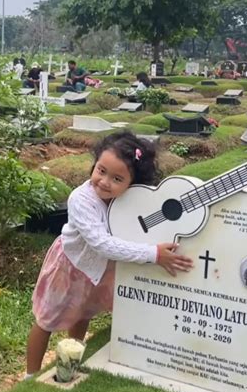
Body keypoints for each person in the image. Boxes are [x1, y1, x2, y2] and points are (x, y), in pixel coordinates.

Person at [26, 131, 193, 375]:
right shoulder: (81, 200)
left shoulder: (127, 203)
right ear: (94, 165)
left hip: (98, 270)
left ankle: (70, 363)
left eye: (117, 178)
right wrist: (153, 254)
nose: (104, 182)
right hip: (70, 266)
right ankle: (30, 375)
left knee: (83, 314)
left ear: (132, 185)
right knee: (46, 320)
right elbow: (101, 243)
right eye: (101, 171)